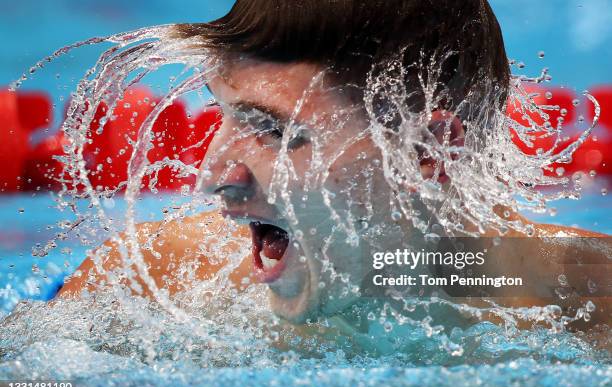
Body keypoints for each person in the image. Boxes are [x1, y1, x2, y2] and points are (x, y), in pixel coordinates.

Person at [58, 0, 610, 353]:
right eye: (222, 112)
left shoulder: (593, 304)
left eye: (275, 132)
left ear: (427, 149)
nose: (213, 177)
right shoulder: (148, 284)